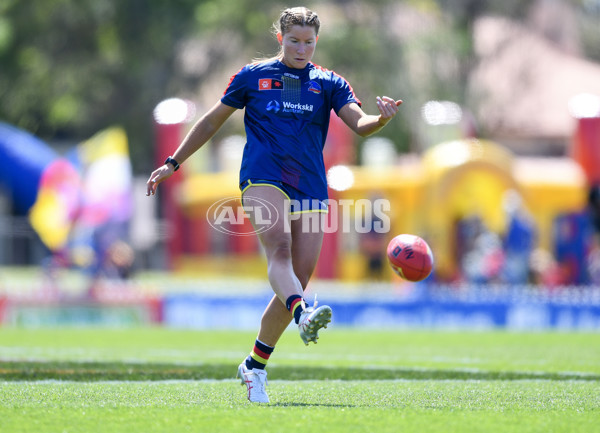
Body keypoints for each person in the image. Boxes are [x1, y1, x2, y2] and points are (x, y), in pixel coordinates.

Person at [146, 6, 402, 403]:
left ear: (317, 41)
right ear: (280, 38)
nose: (302, 48)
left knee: (296, 281)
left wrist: (381, 119)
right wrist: (172, 163)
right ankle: (303, 317)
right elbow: (211, 121)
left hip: (311, 187)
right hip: (262, 177)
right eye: (295, 40)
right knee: (280, 252)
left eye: (309, 41)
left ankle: (254, 366)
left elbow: (360, 123)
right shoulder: (254, 77)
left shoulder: (329, 83)